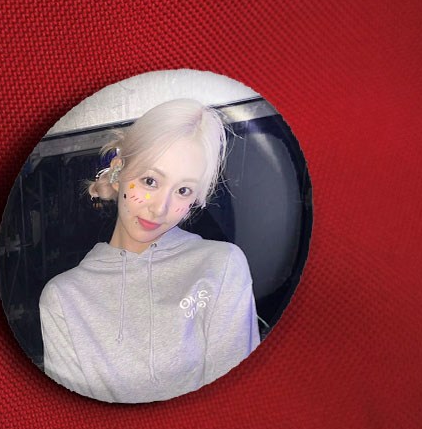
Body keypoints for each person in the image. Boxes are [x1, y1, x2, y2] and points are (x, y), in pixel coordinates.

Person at [38, 98, 258, 403]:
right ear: (118, 172)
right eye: (150, 181)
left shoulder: (220, 265)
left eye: (183, 190)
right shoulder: (63, 297)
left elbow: (237, 400)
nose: (160, 208)